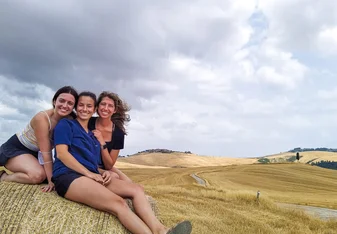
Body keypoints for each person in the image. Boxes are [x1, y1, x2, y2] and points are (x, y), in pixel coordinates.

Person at [52, 91, 192, 234]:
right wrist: (89, 174)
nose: (84, 109)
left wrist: (103, 172)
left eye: (89, 106)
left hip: (92, 175)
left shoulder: (93, 135)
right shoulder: (66, 124)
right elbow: (62, 154)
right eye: (81, 105)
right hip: (68, 176)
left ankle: (161, 230)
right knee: (119, 204)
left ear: (94, 110)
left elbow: (94, 163)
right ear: (76, 107)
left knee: (136, 189)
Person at [0, 86, 78, 192]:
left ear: (73, 106)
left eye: (70, 103)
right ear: (54, 101)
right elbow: (45, 153)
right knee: (38, 176)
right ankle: (4, 177)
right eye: (62, 101)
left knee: (61, 174)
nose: (65, 105)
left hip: (36, 154)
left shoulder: (70, 120)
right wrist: (51, 181)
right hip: (16, 149)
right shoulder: (42, 118)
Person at [89, 91, 132, 182]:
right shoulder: (88, 122)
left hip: (104, 167)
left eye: (110, 106)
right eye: (103, 104)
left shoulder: (118, 133)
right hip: (87, 164)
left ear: (115, 110)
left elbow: (109, 165)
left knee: (130, 183)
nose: (106, 108)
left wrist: (102, 142)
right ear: (97, 107)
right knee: (113, 177)